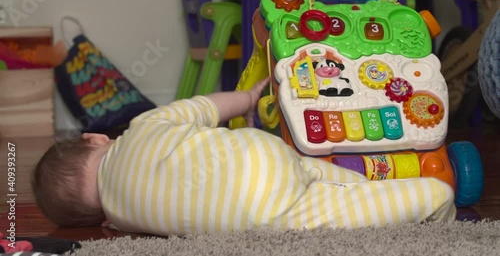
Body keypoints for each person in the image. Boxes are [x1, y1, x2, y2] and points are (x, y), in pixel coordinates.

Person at [32, 78, 456, 236]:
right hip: (259, 152)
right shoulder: (142, 126)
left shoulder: (120, 219)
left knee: (346, 210)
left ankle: (424, 196)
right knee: (322, 177)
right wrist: (250, 96)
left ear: (100, 222)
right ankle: (408, 192)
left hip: (263, 212)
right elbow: (206, 107)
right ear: (94, 139)